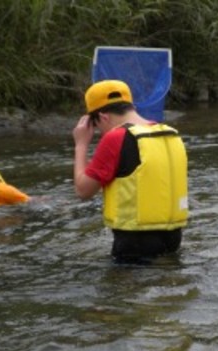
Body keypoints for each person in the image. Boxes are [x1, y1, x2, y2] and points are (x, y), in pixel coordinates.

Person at [72, 80, 189, 261]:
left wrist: (81, 144)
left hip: (134, 242)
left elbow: (83, 191)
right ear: (131, 106)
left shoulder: (115, 137)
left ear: (103, 117)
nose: (99, 132)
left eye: (96, 127)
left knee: (125, 289)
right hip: (173, 237)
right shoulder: (170, 134)